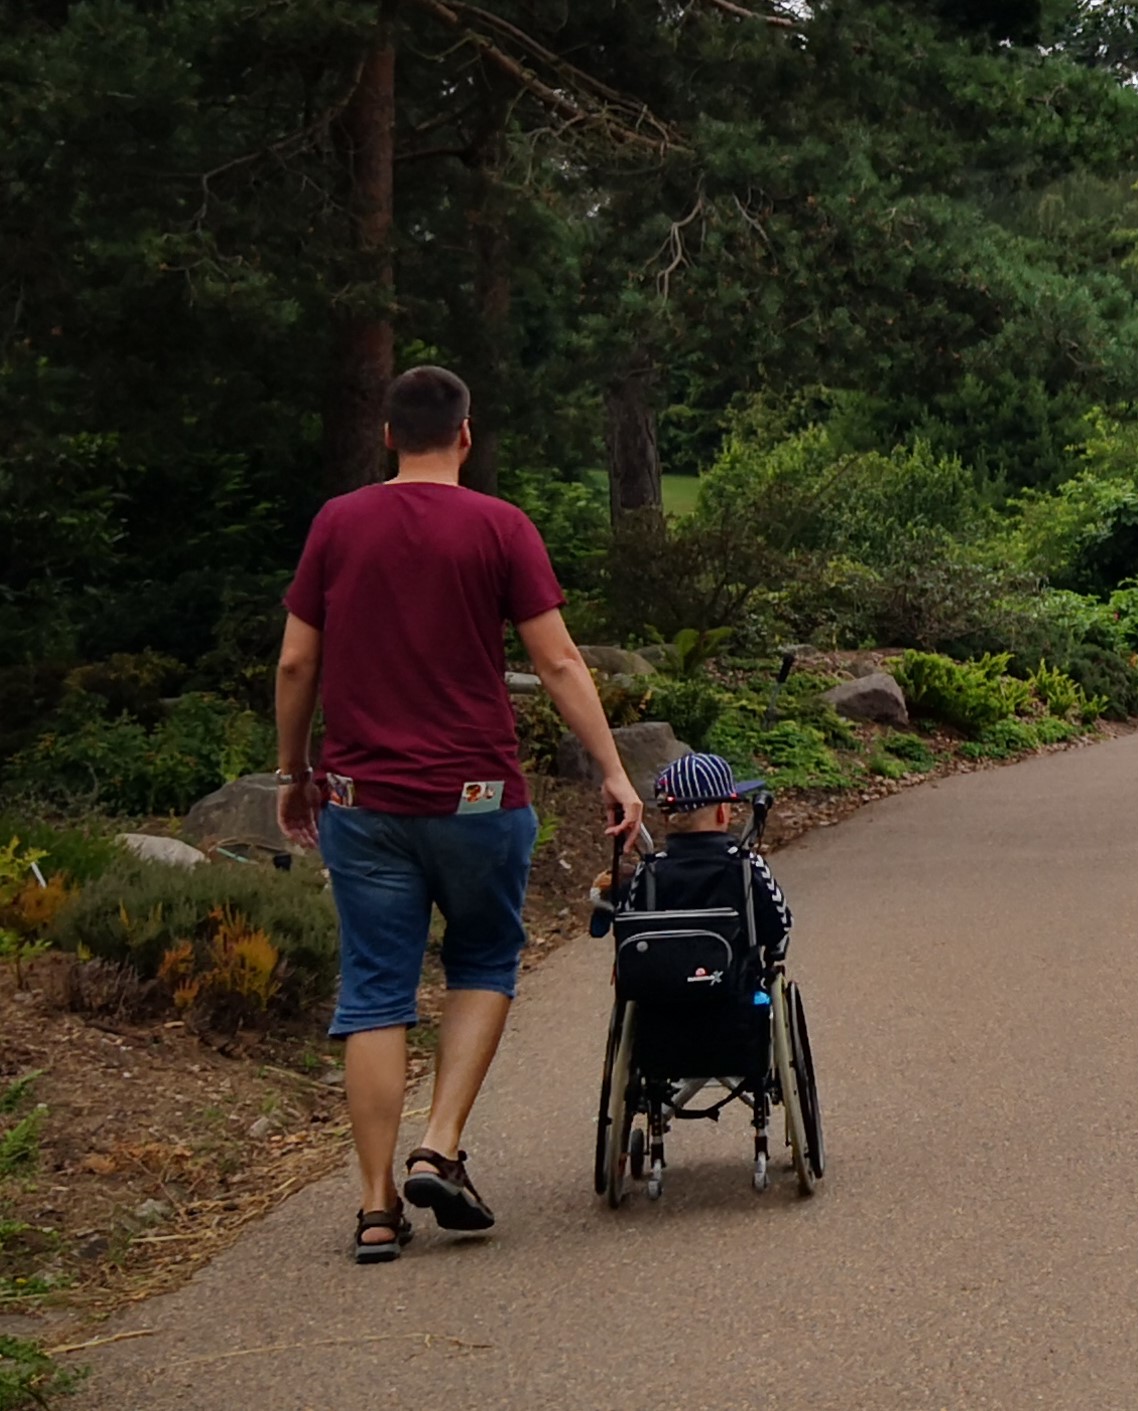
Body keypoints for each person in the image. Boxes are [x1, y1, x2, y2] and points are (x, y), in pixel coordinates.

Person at [274, 365, 644, 1264]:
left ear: (389, 437)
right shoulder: (501, 526)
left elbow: (295, 664)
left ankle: (373, 1206)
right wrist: (613, 769)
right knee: (482, 955)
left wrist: (294, 772)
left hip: (362, 804)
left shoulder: (337, 523)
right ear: (466, 436)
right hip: (479, 799)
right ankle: (438, 1143)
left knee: (374, 989)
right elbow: (557, 662)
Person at [595, 754, 791, 961]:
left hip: (665, 988)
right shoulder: (746, 865)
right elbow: (779, 925)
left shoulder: (649, 870)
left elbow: (631, 927)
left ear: (666, 818)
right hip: (735, 988)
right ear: (722, 812)